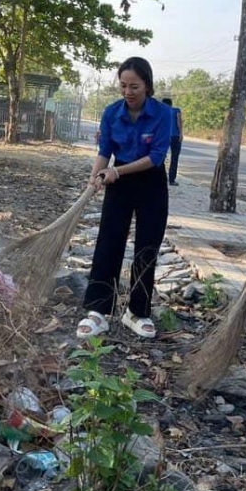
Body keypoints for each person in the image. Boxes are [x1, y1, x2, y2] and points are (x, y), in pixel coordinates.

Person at [77, 57, 172, 341]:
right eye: (123, 86)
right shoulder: (111, 113)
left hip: (151, 181)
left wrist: (116, 171)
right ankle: (98, 312)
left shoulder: (162, 114)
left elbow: (155, 157)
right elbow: (104, 150)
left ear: (147, 86)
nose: (128, 92)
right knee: (109, 240)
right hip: (117, 182)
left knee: (147, 245)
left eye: (134, 87)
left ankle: (137, 312)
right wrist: (95, 179)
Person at [162, 97, 184, 186]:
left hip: (164, 137)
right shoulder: (176, 110)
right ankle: (171, 180)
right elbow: (179, 122)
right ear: (171, 104)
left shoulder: (161, 112)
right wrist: (181, 133)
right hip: (175, 136)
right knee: (174, 158)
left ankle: (160, 178)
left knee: (161, 157)